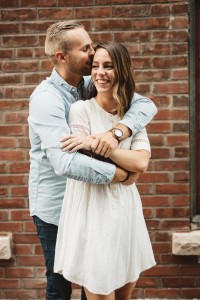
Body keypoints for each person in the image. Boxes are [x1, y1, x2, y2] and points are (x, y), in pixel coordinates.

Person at [28, 20, 157, 300]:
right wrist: (123, 175)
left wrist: (116, 132)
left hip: (98, 204)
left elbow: (145, 105)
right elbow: (66, 163)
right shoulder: (46, 99)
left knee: (99, 280)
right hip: (56, 207)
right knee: (60, 286)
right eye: (85, 48)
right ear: (62, 57)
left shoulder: (90, 82)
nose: (92, 54)